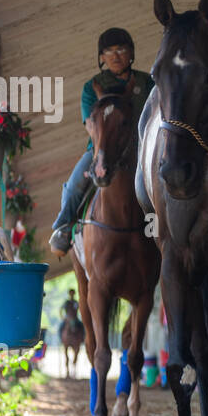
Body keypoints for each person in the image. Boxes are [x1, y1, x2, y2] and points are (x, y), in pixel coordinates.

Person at [49, 28, 155, 255]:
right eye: (109, 51)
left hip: (143, 150)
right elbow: (90, 123)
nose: (115, 56)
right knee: (76, 184)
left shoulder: (147, 83)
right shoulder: (92, 86)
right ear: (102, 57)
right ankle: (63, 227)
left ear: (131, 53)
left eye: (121, 50)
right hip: (103, 148)